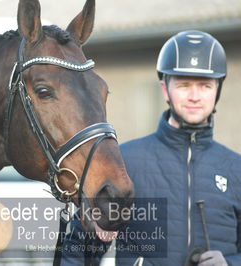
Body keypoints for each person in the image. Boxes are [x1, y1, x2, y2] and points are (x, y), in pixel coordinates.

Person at [60, 30, 241, 266]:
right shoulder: (125, 163)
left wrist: (232, 263)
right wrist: (94, 231)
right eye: (184, 85)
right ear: (165, 89)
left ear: (217, 90)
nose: (195, 96)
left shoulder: (236, 168)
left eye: (205, 86)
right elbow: (76, 250)